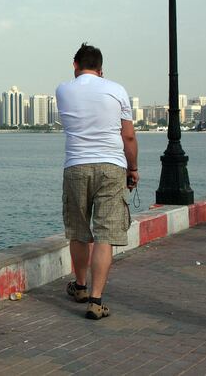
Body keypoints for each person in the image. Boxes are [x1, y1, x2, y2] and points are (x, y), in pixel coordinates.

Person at [55, 43, 139, 320]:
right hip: (112, 167)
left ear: (74, 64)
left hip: (76, 166)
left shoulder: (63, 90)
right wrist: (133, 169)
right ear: (101, 69)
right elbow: (128, 137)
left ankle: (79, 286)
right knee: (104, 235)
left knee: (79, 231)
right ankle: (96, 300)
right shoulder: (117, 90)